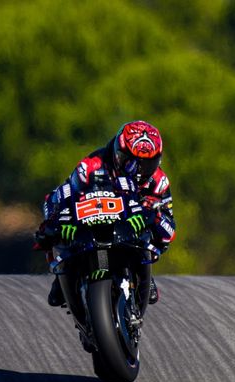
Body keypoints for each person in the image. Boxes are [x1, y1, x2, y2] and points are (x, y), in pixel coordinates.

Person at [34, 120, 176, 306]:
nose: (138, 172)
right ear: (118, 154)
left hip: (131, 234)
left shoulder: (159, 182)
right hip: (93, 223)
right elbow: (64, 193)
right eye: (130, 163)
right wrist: (59, 219)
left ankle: (144, 272)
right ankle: (63, 274)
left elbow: (169, 230)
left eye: (147, 164)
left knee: (160, 236)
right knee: (53, 228)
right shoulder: (93, 165)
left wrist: (152, 216)